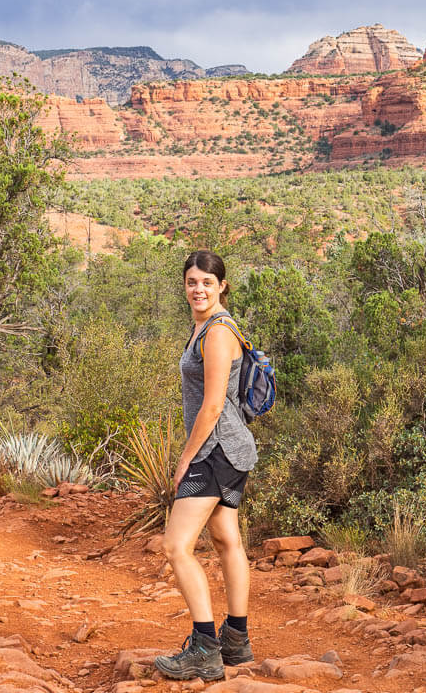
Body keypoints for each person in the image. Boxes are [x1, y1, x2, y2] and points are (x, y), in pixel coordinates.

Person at [154, 250, 259, 681]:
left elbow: (214, 405)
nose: (199, 289)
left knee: (176, 547)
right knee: (225, 539)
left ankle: (204, 648)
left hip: (215, 451)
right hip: (232, 451)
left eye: (207, 283)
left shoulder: (216, 333)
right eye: (192, 282)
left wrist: (185, 459)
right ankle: (236, 640)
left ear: (222, 286)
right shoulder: (207, 325)